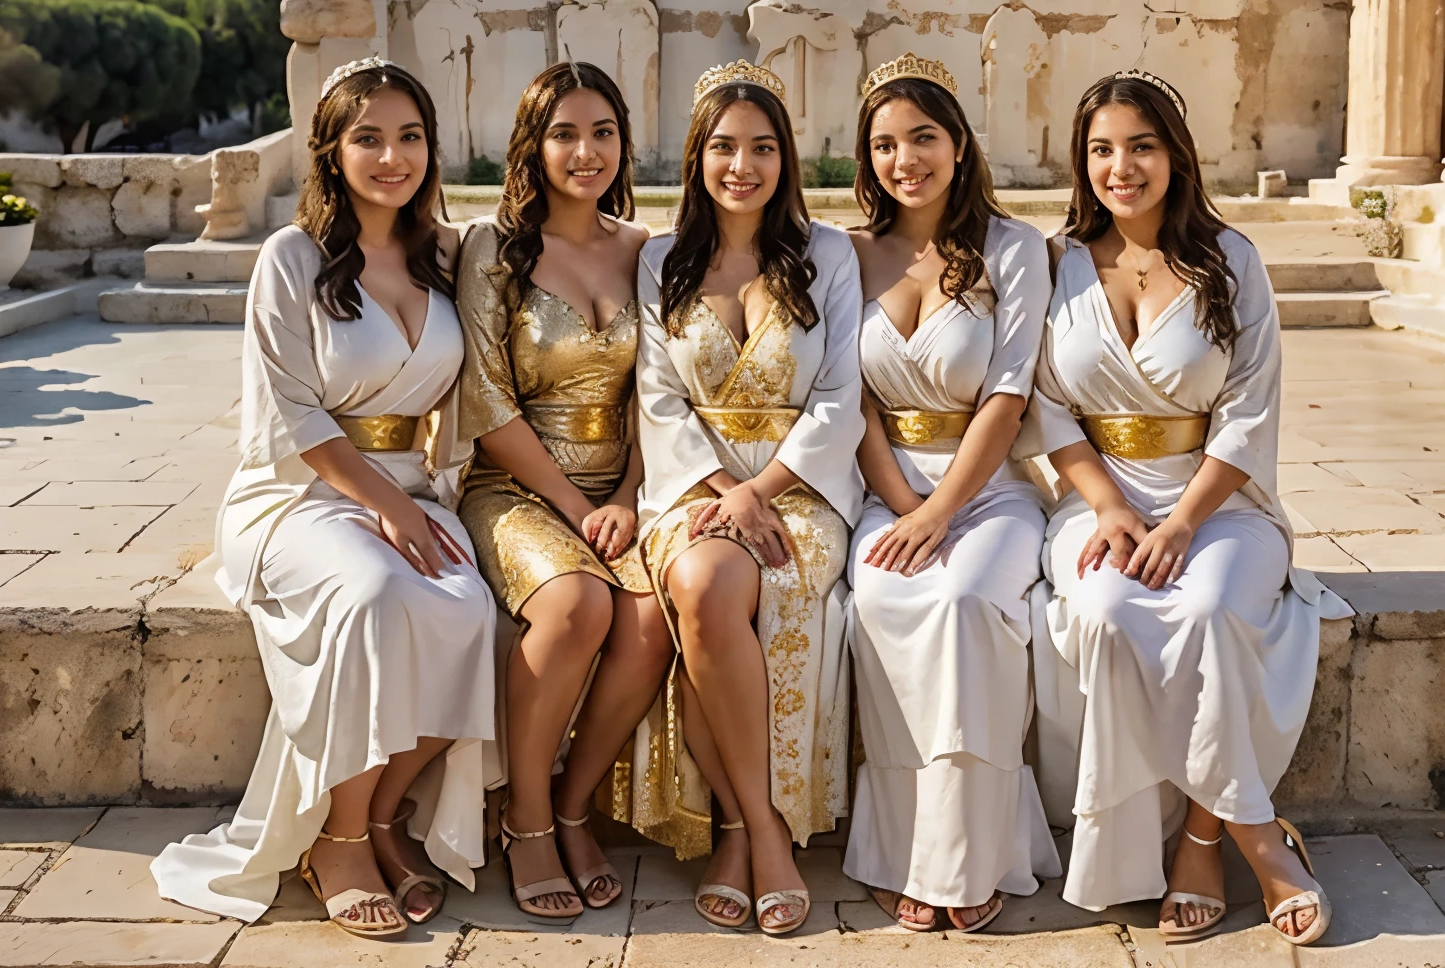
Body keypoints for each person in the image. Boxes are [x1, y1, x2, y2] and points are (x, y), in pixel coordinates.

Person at [152, 58, 497, 940]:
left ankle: (382, 816)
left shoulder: (445, 257)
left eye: (410, 136)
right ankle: (338, 840)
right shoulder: (292, 259)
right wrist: (388, 506)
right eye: (369, 137)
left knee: (470, 613)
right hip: (296, 496)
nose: (393, 156)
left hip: (411, 489)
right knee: (376, 598)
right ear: (330, 151)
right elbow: (292, 412)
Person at [1021, 70, 1353, 946]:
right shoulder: (1056, 265)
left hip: (1220, 504)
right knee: (1103, 609)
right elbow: (1047, 406)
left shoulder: (1230, 259)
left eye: (1140, 146)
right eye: (1100, 150)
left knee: (1205, 609)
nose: (1120, 167)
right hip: (1097, 506)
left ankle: (1205, 842)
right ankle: (1259, 834)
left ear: (1175, 154)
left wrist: (1180, 522)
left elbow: (1249, 410)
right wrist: (1109, 510)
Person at [633, 60, 865, 937]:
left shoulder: (827, 254)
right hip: (694, 485)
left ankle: (745, 832)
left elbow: (841, 394)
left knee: (764, 587)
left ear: (786, 159)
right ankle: (756, 825)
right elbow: (656, 396)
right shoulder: (661, 261)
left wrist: (764, 487)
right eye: (724, 147)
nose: (743, 166)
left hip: (801, 488)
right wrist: (727, 489)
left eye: (763, 148)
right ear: (697, 157)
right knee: (702, 586)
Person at [842, 53, 1062, 934]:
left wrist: (942, 512)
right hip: (885, 484)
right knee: (889, 600)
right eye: (886, 144)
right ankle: (902, 853)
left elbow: (1009, 396)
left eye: (924, 137)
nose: (907, 160)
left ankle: (971, 856)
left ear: (961, 145)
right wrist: (901, 504)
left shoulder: (1016, 249)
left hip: (991, 491)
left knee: (970, 603)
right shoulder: (849, 253)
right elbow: (845, 397)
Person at [454, 62, 666, 923]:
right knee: (578, 605)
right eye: (565, 134)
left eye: (603, 132)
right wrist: (577, 508)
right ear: (533, 145)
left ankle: (574, 805)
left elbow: (665, 393)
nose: (587, 152)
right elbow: (487, 402)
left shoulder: (645, 249)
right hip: (515, 483)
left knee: (653, 616)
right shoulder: (493, 248)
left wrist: (626, 493)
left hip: (624, 484)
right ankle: (528, 818)